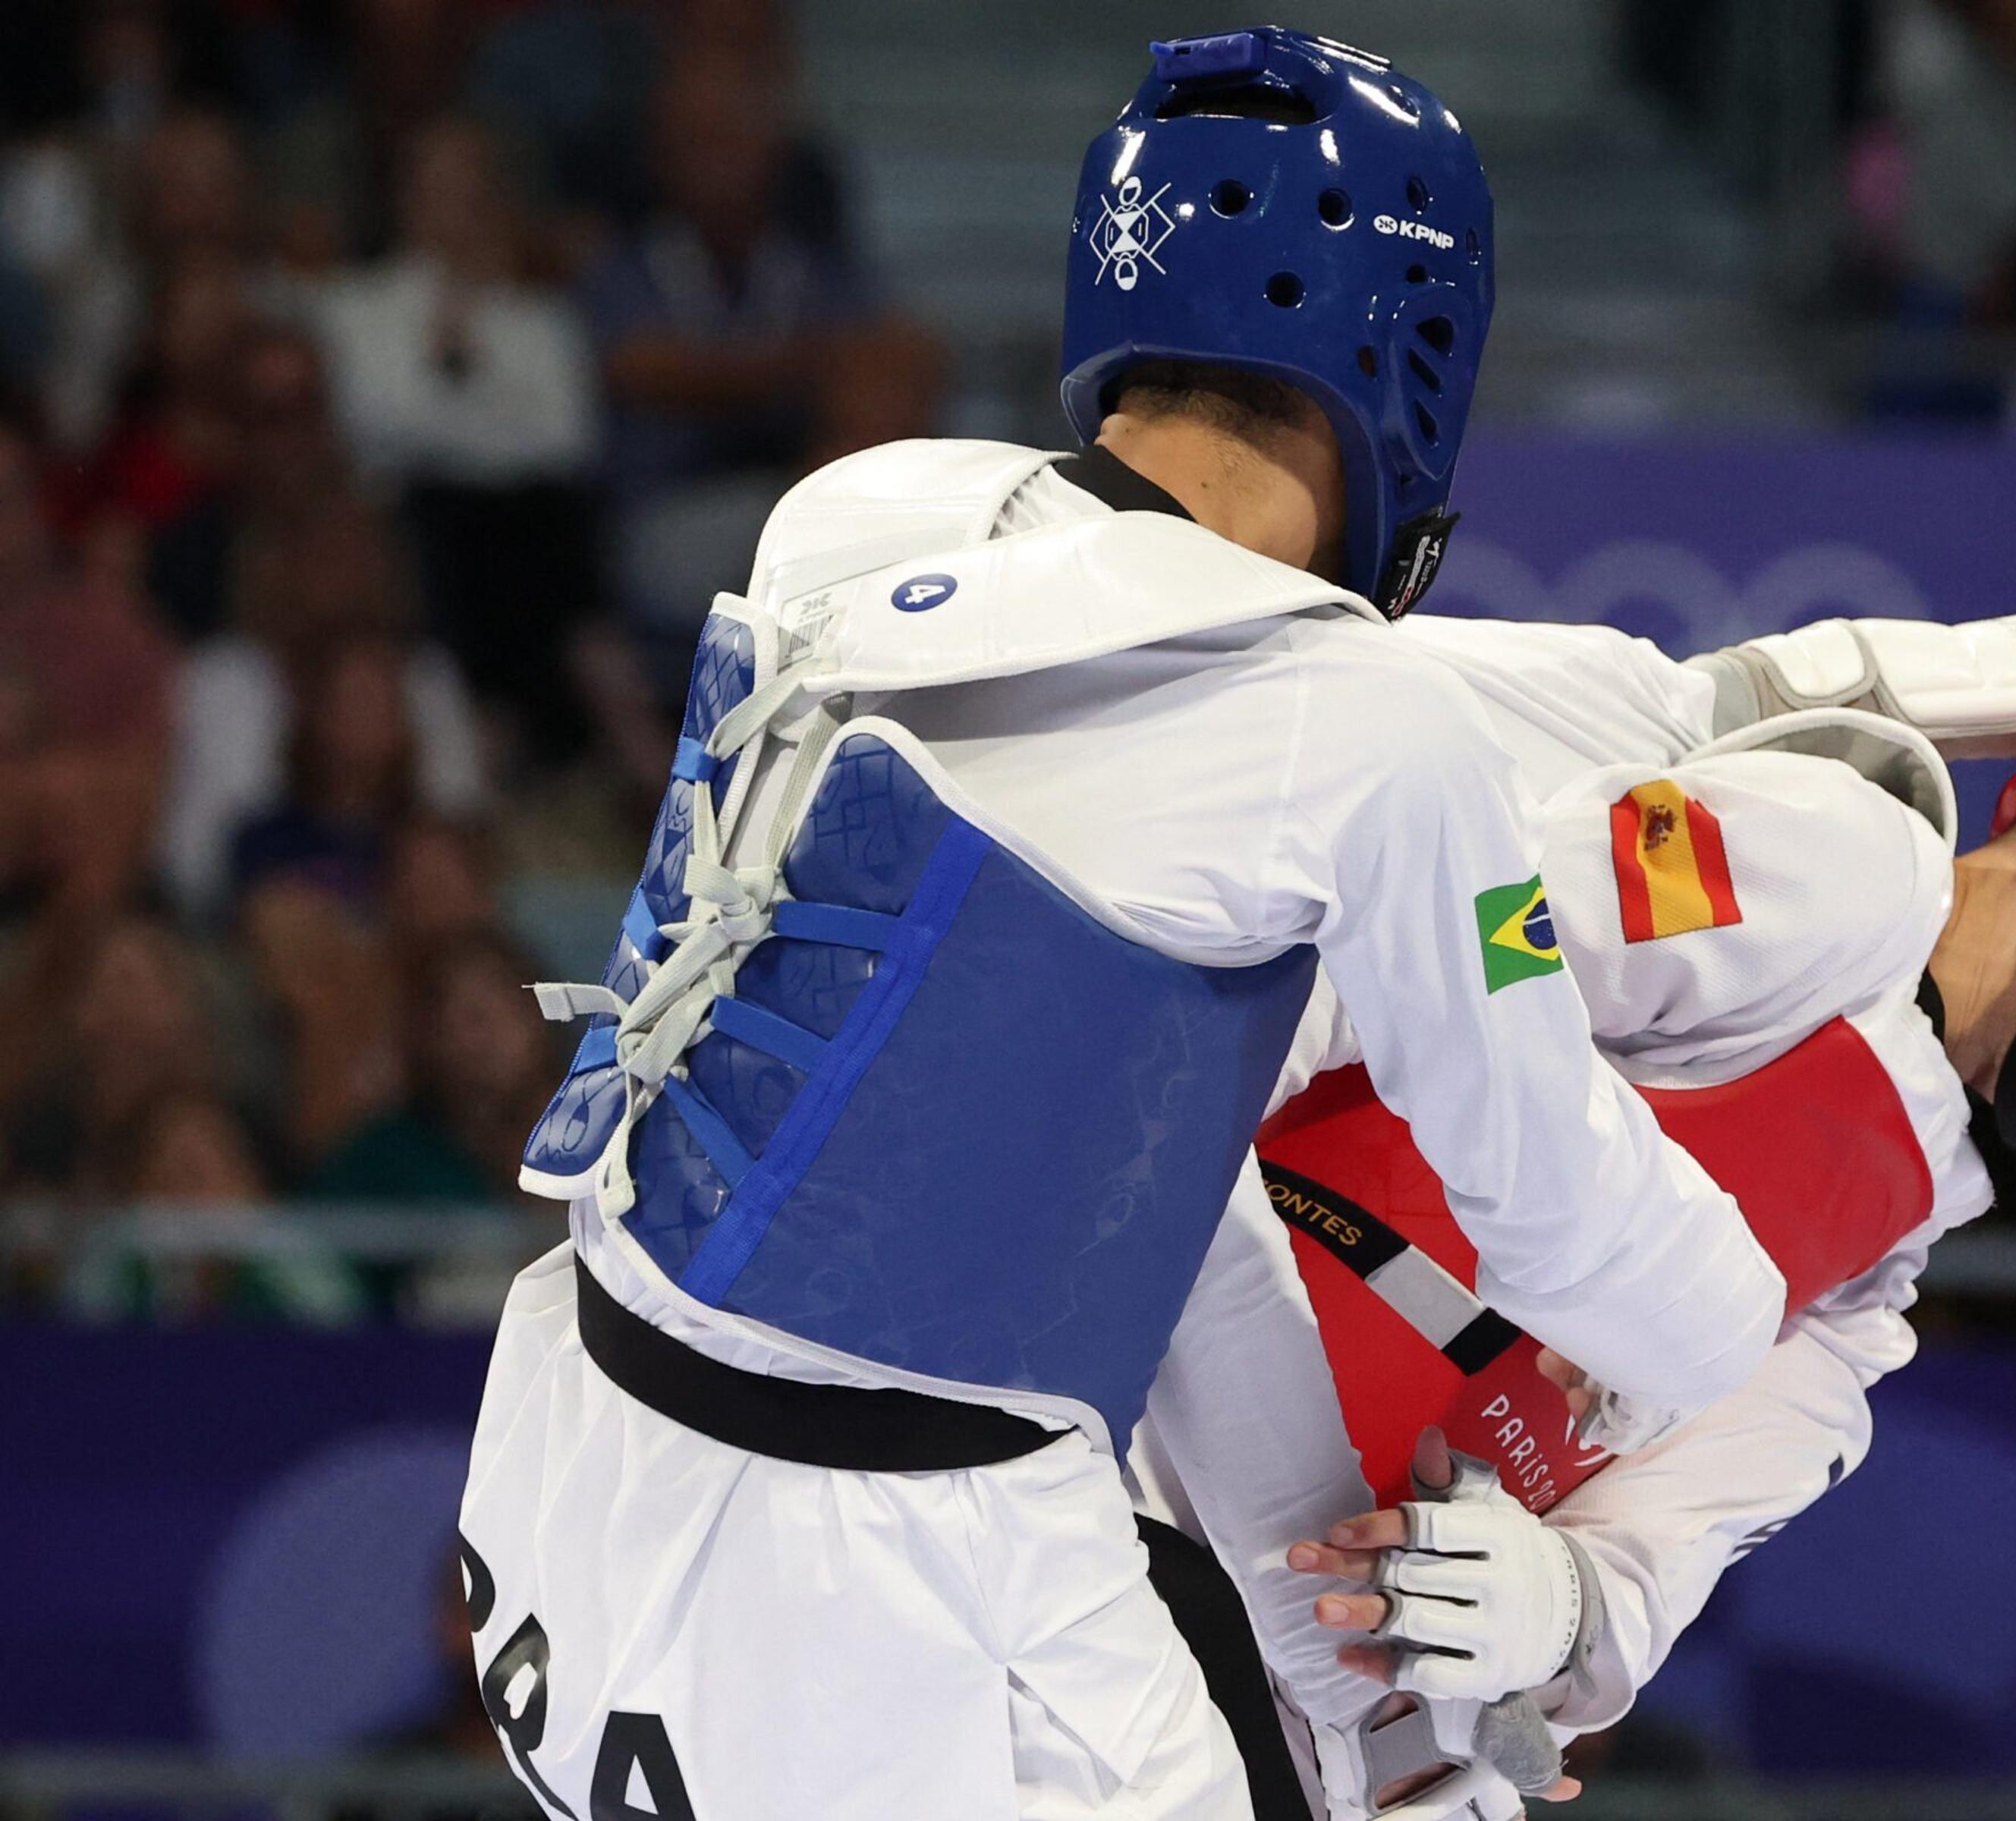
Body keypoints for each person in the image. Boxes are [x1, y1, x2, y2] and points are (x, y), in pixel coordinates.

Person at [458, 30, 1791, 1820]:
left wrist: (1728, 697)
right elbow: (1559, 1221)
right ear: (1415, 358)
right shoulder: (1357, 732)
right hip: (893, 1581)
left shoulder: (849, 511)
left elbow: (1137, 700)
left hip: (569, 1435)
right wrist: (1764, 1309)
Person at [1124, 634, 2016, 1818]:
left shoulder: (1862, 1320)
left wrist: (1545, 1612)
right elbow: (1417, 941)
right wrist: (1134, 1167)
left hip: (1261, 1642)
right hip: (1120, 1413)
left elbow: (1628, 1597)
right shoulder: (1841, 867)